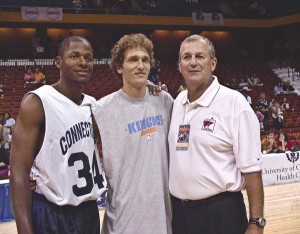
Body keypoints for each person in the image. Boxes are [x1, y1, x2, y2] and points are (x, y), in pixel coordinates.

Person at [168, 35, 265, 234]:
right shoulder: (177, 102)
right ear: (179, 65)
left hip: (221, 214)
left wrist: (256, 222)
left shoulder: (234, 103)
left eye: (199, 56)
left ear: (213, 63)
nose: (193, 62)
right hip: (181, 215)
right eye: (186, 57)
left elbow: (252, 170)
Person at [10, 36, 105, 234]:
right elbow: (18, 170)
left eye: (88, 58)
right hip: (50, 212)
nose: (83, 62)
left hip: (87, 212)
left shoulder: (93, 105)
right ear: (58, 62)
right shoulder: (38, 102)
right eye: (75, 56)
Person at [92, 33, 173, 234]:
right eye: (133, 60)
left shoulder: (165, 101)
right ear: (119, 67)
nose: (141, 65)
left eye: (145, 60)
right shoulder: (101, 110)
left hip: (162, 217)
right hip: (122, 219)